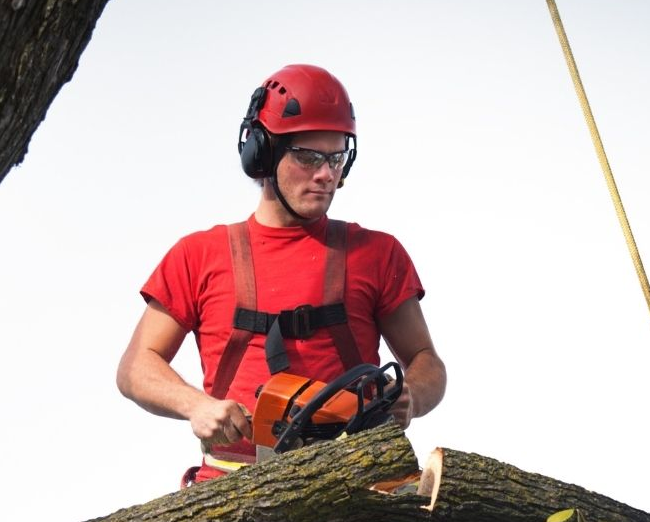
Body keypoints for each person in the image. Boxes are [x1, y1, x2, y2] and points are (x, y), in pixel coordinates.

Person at [116, 64, 447, 484]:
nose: (326, 173)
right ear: (264, 154)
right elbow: (134, 368)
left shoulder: (378, 253)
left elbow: (427, 362)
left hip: (356, 483)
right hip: (234, 489)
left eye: (336, 157)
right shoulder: (198, 255)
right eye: (308, 156)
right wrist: (196, 405)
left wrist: (412, 395)